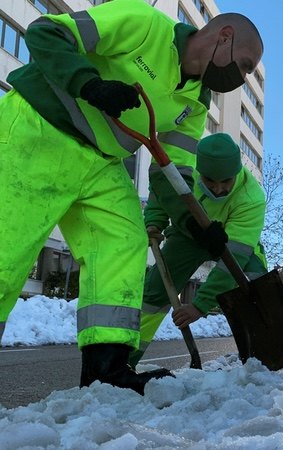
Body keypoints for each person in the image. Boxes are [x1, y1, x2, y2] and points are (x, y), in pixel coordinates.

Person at [0, 0, 263, 394]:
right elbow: (46, 33)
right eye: (243, 64)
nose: (242, 78)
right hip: (41, 129)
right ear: (223, 36)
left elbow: (172, 173)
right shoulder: (144, 24)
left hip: (104, 160)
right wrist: (89, 83)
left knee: (123, 240)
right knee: (7, 248)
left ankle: (107, 370)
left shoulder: (196, 101)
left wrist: (194, 225)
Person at [129, 133, 267, 366]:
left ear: (236, 172)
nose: (219, 188)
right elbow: (162, 195)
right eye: (211, 180)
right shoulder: (184, 173)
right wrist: (154, 221)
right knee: (154, 293)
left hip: (229, 240)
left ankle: (263, 353)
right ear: (200, 170)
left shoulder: (252, 198)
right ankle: (124, 358)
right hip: (188, 236)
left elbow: (232, 261)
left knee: (257, 282)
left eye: (226, 181)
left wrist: (199, 306)